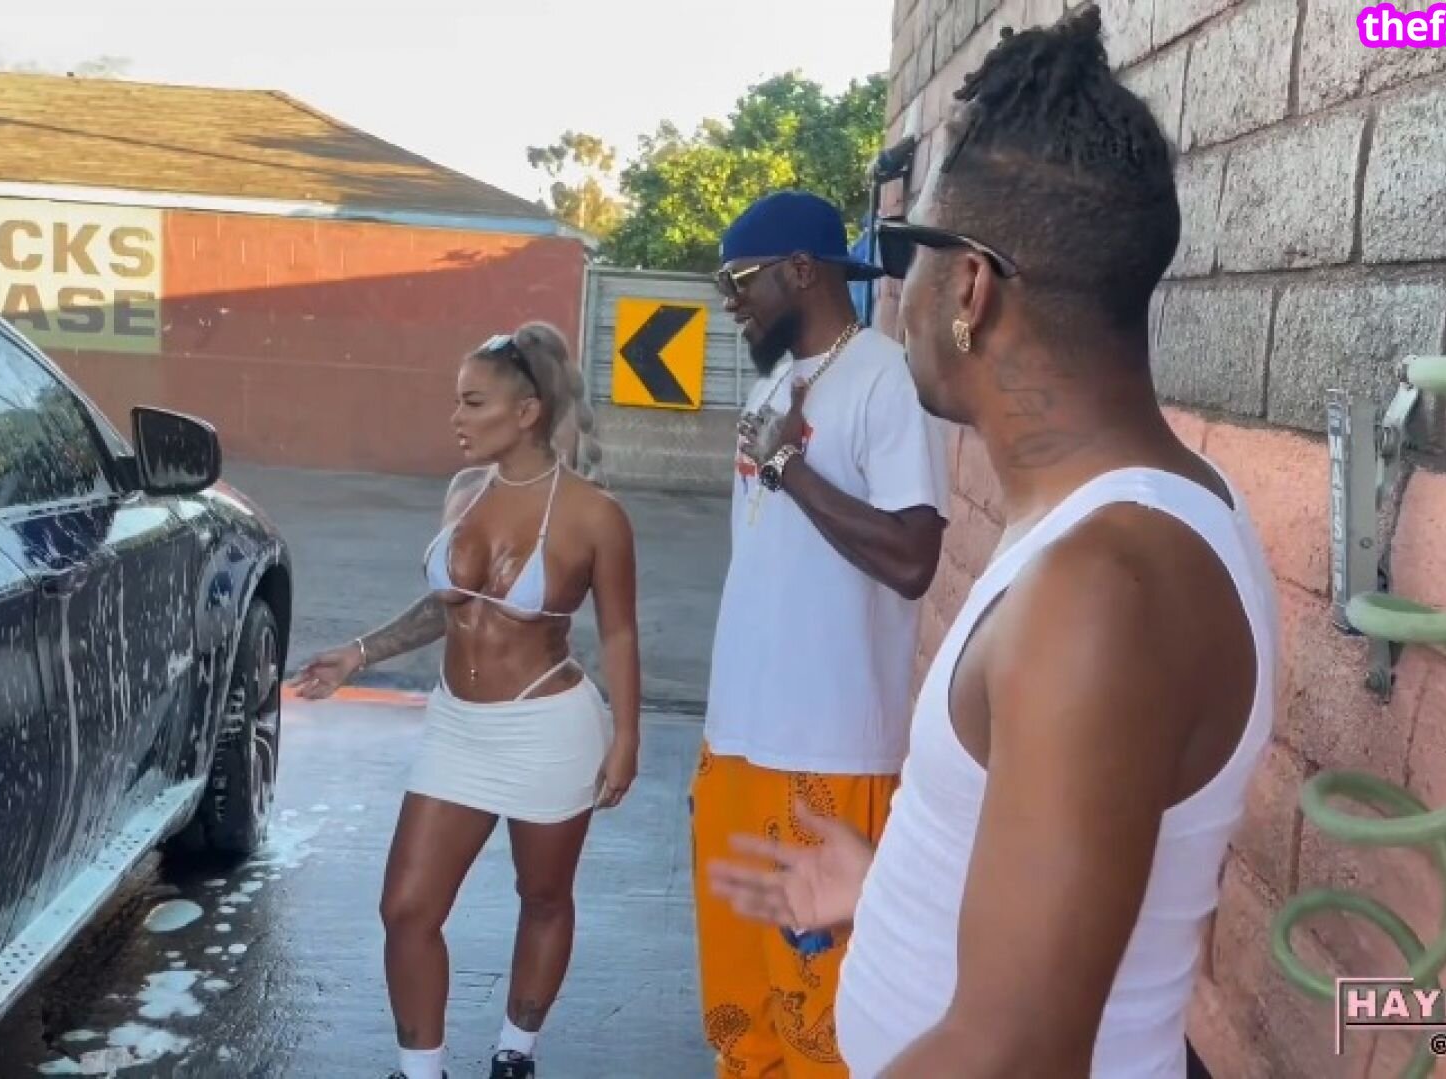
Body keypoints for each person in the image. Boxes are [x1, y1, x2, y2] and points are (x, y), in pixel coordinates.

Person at [705, 9, 1279, 1078]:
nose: (898, 294)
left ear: (969, 285)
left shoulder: (1102, 586)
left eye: (905, 255)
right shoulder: (1118, 528)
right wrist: (892, 888)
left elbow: (1014, 1053)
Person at [288, 322, 641, 1079]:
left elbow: (618, 631)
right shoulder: (463, 491)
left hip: (549, 728)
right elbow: (449, 605)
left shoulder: (593, 515)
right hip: (457, 727)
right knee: (407, 908)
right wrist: (358, 652)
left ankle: (516, 1053)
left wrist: (627, 739)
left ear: (527, 412)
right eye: (456, 400)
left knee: (543, 897)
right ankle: (422, 1070)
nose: (455, 417)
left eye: (473, 402)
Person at [691, 189, 950, 1077]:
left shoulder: (886, 379)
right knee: (742, 1011)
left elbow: (914, 557)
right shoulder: (773, 383)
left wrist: (789, 466)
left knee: (823, 1021)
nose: (730, 299)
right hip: (736, 745)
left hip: (827, 754)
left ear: (802, 270)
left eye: (740, 279)